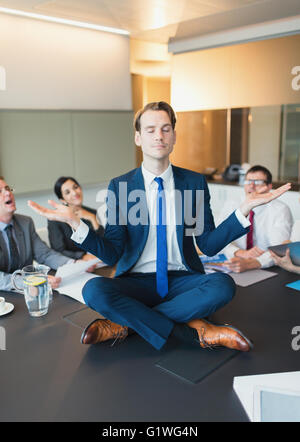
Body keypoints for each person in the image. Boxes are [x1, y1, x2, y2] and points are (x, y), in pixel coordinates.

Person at [28, 102, 291, 352]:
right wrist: (75, 222)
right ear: (138, 138)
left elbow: (208, 244)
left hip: (183, 281)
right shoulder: (121, 187)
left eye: (166, 128)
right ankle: (196, 334)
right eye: (150, 130)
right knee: (94, 290)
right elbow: (112, 255)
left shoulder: (193, 182)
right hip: (136, 282)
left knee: (222, 286)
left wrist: (244, 208)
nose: (159, 136)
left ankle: (128, 324)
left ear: (174, 135)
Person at [217, 165, 293, 273]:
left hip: (266, 268)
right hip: (233, 262)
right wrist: (238, 252)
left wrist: (252, 263)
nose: (251, 186)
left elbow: (279, 249)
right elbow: (218, 237)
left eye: (257, 182)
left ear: (269, 186)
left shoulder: (280, 210)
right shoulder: (232, 204)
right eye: (248, 181)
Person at [0, 177, 71, 291]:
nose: (8, 193)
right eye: (0, 191)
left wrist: (73, 264)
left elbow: (45, 255)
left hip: (29, 293)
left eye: (7, 188)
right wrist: (31, 281)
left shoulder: (25, 223)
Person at [48, 176, 104, 260]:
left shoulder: (92, 212)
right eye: (67, 192)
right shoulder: (56, 219)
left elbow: (104, 243)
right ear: (63, 200)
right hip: (74, 263)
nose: (74, 193)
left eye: (75, 187)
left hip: (98, 261)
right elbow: (58, 250)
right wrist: (82, 256)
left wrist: (92, 218)